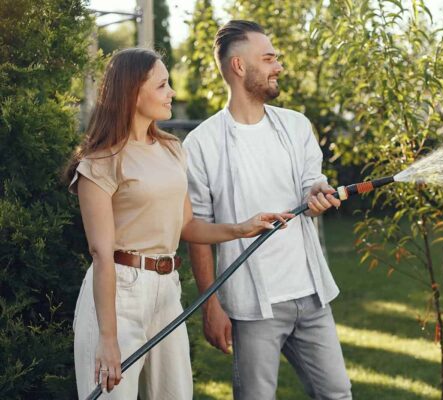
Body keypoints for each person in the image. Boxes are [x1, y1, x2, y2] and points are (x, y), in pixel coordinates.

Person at [66, 48, 291, 399]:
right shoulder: (100, 163)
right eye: (162, 85)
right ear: (132, 93)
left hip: (167, 291)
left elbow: (186, 225)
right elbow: (101, 254)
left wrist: (242, 228)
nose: (171, 92)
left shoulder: (171, 148)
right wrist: (107, 339)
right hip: (119, 295)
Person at [183, 21, 352, 399]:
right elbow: (197, 229)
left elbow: (313, 184)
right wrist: (210, 306)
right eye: (269, 58)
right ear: (239, 66)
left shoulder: (295, 126)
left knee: (338, 393)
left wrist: (318, 193)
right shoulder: (201, 144)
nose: (279, 66)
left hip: (311, 296)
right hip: (253, 307)